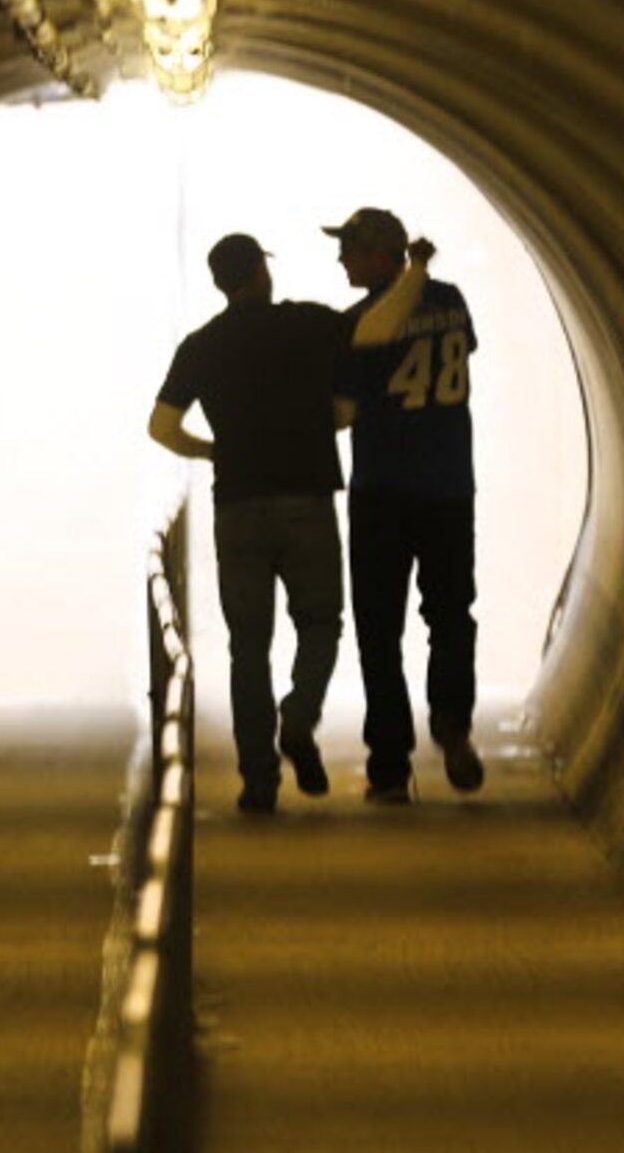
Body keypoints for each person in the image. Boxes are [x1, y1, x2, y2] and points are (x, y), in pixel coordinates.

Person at [148, 233, 420, 814]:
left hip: (238, 505)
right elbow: (354, 390)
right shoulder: (310, 325)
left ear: (223, 282)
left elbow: (162, 428)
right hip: (308, 499)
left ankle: (259, 781)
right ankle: (297, 718)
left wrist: (212, 452)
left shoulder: (202, 346)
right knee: (321, 623)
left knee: (249, 646)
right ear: (261, 274)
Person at [327, 207, 484, 805]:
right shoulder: (453, 300)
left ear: (382, 256)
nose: (341, 260)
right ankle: (452, 723)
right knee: (450, 616)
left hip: (383, 492)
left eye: (350, 250)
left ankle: (389, 764)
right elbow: (460, 350)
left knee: (378, 629)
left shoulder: (359, 323)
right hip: (450, 489)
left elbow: (357, 380)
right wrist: (419, 275)